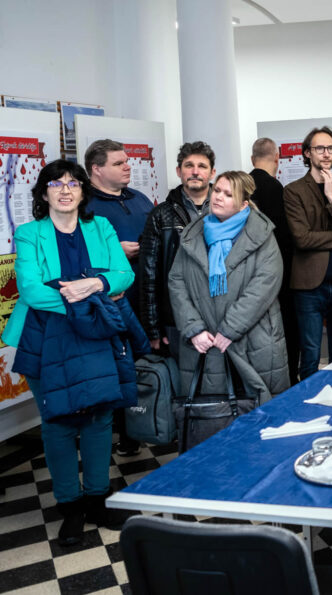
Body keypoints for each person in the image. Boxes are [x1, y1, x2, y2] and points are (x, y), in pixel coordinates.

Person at [2, 161, 137, 545]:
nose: (65, 190)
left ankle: (96, 498)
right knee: (57, 422)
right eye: (56, 183)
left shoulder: (101, 227)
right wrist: (95, 295)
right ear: (43, 193)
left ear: (83, 191)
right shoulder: (30, 233)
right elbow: (32, 290)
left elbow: (124, 275)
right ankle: (70, 506)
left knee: (99, 418)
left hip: (96, 336)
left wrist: (94, 283)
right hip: (45, 337)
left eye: (73, 183)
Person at [168, 171, 289, 404]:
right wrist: (193, 328)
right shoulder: (194, 233)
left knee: (258, 410)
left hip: (253, 340)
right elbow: (177, 282)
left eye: (228, 194)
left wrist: (230, 329)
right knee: (211, 414)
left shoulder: (262, 234)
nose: (218, 197)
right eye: (217, 190)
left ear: (244, 204)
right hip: (205, 341)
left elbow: (263, 286)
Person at [84, 139, 153, 457]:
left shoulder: (139, 198)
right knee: (115, 367)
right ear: (96, 169)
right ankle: (122, 434)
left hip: (147, 298)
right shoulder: (84, 207)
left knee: (144, 364)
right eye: (118, 163)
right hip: (109, 305)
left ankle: (147, 425)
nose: (128, 166)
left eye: (127, 161)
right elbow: (74, 257)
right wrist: (114, 252)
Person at [283, 127, 332, 379]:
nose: (326, 153)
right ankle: (307, 401)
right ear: (307, 153)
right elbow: (302, 238)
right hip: (308, 286)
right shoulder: (293, 190)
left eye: (330, 148)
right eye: (319, 148)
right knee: (310, 354)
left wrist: (331, 197)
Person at [138, 142, 216, 361]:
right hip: (176, 316)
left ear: (212, 173)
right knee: (185, 377)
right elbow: (149, 275)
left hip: (220, 314)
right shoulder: (160, 215)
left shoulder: (227, 211)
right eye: (189, 165)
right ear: (179, 171)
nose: (195, 171)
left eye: (202, 166)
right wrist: (153, 327)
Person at [250, 137, 299, 384]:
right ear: (277, 158)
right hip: (281, 271)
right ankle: (288, 379)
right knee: (286, 327)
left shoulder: (244, 186)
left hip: (250, 273)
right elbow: (286, 235)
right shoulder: (278, 189)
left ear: (252, 159)